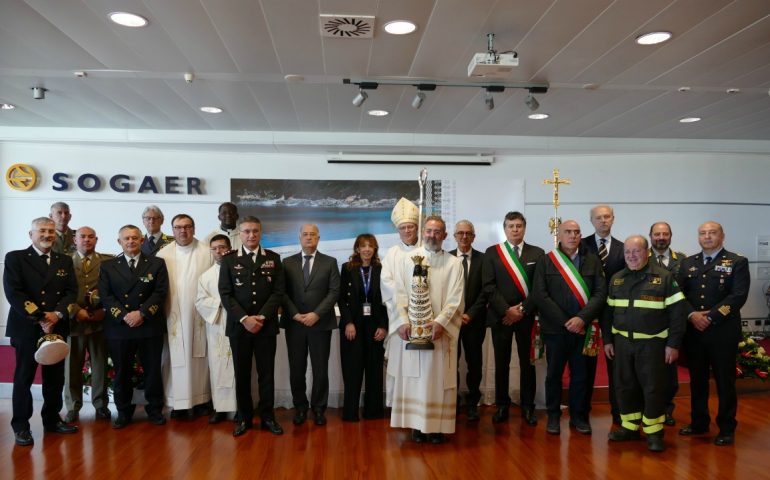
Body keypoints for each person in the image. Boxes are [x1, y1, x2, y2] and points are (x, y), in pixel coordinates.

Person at [602, 235, 686, 452]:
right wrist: (608, 340)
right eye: (627, 251)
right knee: (625, 386)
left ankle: (654, 432)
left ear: (647, 252)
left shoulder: (665, 278)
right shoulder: (617, 279)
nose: (631, 255)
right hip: (622, 345)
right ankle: (629, 427)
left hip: (652, 346)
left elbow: (678, 315)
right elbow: (608, 313)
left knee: (653, 389)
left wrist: (673, 344)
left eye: (636, 251)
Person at [387, 215, 464, 444]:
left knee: (436, 380)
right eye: (429, 231)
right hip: (411, 333)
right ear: (423, 232)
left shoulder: (454, 264)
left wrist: (441, 322)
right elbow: (397, 293)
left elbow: (456, 298)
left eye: (437, 231)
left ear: (445, 235)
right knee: (414, 379)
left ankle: (437, 427)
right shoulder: (407, 260)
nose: (432, 235)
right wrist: (401, 321)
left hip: (439, 335)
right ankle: (417, 427)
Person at [3, 217, 78, 446]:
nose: (47, 234)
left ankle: (52, 419)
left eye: (51, 231)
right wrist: (40, 317)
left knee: (55, 378)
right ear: (31, 234)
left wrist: (58, 314)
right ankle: (21, 426)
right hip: (27, 326)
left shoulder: (64, 260)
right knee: (24, 377)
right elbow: (14, 292)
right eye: (42, 231)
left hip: (57, 325)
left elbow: (71, 291)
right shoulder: (15, 258)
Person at [676, 221, 750, 446]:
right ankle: (699, 422)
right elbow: (678, 294)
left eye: (712, 233)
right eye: (703, 233)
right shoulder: (688, 263)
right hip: (695, 332)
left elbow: (738, 296)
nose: (707, 237)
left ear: (722, 236)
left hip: (722, 332)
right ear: (698, 237)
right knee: (698, 380)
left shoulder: (737, 261)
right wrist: (692, 316)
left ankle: (727, 427)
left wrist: (710, 317)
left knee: (724, 381)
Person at [532, 220, 606, 436]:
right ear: (559, 235)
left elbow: (600, 293)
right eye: (568, 232)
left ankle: (579, 416)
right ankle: (553, 415)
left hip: (584, 330)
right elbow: (540, 295)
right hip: (556, 331)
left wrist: (581, 319)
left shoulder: (592, 260)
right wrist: (567, 321)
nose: (573, 236)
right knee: (554, 375)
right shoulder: (546, 261)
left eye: (576, 232)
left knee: (582, 376)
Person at [219, 216, 285, 437]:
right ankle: (244, 418)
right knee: (242, 374)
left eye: (255, 231)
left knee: (267, 375)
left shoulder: (274, 259)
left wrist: (262, 317)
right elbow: (225, 294)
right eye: (246, 231)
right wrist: (245, 319)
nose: (251, 235)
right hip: (239, 328)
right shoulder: (228, 260)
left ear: (261, 232)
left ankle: (268, 418)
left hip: (265, 328)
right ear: (240, 233)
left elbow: (278, 292)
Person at [99, 224, 169, 429]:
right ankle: (123, 411)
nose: (131, 241)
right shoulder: (108, 265)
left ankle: (155, 409)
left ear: (142, 241)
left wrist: (142, 313)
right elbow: (106, 296)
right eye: (126, 238)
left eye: (135, 238)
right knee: (122, 372)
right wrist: (124, 316)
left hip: (149, 325)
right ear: (119, 241)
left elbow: (160, 292)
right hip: (120, 327)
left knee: (152, 371)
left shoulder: (156, 263)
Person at [482, 212, 544, 425]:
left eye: (519, 226)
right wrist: (506, 311)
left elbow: (539, 287)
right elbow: (489, 286)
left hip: (526, 317)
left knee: (528, 364)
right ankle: (502, 405)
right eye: (511, 226)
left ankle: (528, 406)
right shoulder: (492, 253)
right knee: (501, 363)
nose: (515, 229)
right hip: (502, 318)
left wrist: (522, 310)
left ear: (524, 228)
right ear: (505, 228)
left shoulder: (538, 253)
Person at [282, 224, 341, 427]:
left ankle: (318, 408)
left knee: (320, 369)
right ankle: (300, 408)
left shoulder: (330, 262)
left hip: (320, 324)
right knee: (297, 369)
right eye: (305, 234)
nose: (309, 238)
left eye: (312, 234)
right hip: (295, 324)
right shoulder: (287, 263)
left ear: (319, 237)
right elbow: (282, 293)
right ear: (299, 237)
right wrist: (295, 314)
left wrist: (316, 314)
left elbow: (334, 292)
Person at [156, 214, 214, 418]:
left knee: (201, 357)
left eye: (187, 226)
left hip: (200, 316)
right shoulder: (163, 254)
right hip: (173, 314)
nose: (183, 231)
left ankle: (201, 400)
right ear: (172, 230)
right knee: (174, 359)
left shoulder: (207, 252)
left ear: (194, 228)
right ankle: (178, 403)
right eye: (178, 227)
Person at [64, 226, 114, 423]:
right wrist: (76, 311)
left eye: (90, 237)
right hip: (74, 322)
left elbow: (114, 289)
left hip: (100, 322)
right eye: (82, 236)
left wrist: (104, 311)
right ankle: (72, 407)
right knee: (71, 367)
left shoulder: (108, 261)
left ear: (96, 239)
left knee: (100, 365)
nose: (86, 240)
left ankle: (101, 405)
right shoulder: (65, 261)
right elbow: (58, 291)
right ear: (74, 240)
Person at [581, 204, 624, 424]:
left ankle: (618, 413)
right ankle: (583, 412)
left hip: (615, 315)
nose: (603, 221)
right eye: (599, 217)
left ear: (613, 219)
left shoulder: (624, 248)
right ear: (591, 221)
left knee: (615, 368)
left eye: (607, 217)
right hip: (588, 313)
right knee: (585, 367)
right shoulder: (580, 245)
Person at [339, 234, 388, 421]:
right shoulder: (347, 268)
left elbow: (387, 301)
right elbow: (341, 299)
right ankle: (350, 413)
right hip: (353, 327)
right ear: (357, 249)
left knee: (374, 370)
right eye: (363, 246)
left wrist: (384, 326)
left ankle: (373, 412)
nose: (367, 249)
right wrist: (348, 322)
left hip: (375, 327)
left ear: (375, 249)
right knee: (352, 370)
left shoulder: (382, 269)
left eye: (371, 246)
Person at [648, 221, 687, 426]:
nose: (661, 237)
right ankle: (648, 409)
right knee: (646, 371)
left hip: (672, 323)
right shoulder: (640, 257)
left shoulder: (681, 259)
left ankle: (667, 409)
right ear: (650, 236)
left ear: (670, 236)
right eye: (657, 234)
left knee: (669, 373)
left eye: (665, 234)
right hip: (647, 324)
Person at [195, 235, 237, 423]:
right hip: (217, 325)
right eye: (215, 248)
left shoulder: (239, 269)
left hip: (237, 323)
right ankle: (220, 408)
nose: (219, 252)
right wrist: (221, 303)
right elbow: (200, 301)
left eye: (222, 247)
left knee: (238, 366)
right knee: (218, 366)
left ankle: (240, 407)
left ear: (229, 248)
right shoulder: (206, 276)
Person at [449, 220, 487, 422]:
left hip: (474, 321)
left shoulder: (483, 259)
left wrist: (470, 313)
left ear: (474, 236)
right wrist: (454, 315)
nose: (464, 237)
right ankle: (452, 401)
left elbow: (486, 290)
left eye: (468, 233)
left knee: (474, 363)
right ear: (454, 236)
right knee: (450, 363)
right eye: (460, 233)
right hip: (450, 321)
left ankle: (472, 402)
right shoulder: (445, 258)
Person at [381, 198, 419, 340]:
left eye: (410, 226)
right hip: (400, 318)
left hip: (425, 317)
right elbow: (388, 286)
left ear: (417, 227)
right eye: (403, 228)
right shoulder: (392, 254)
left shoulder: (427, 251)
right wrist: (402, 318)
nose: (407, 231)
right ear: (398, 230)